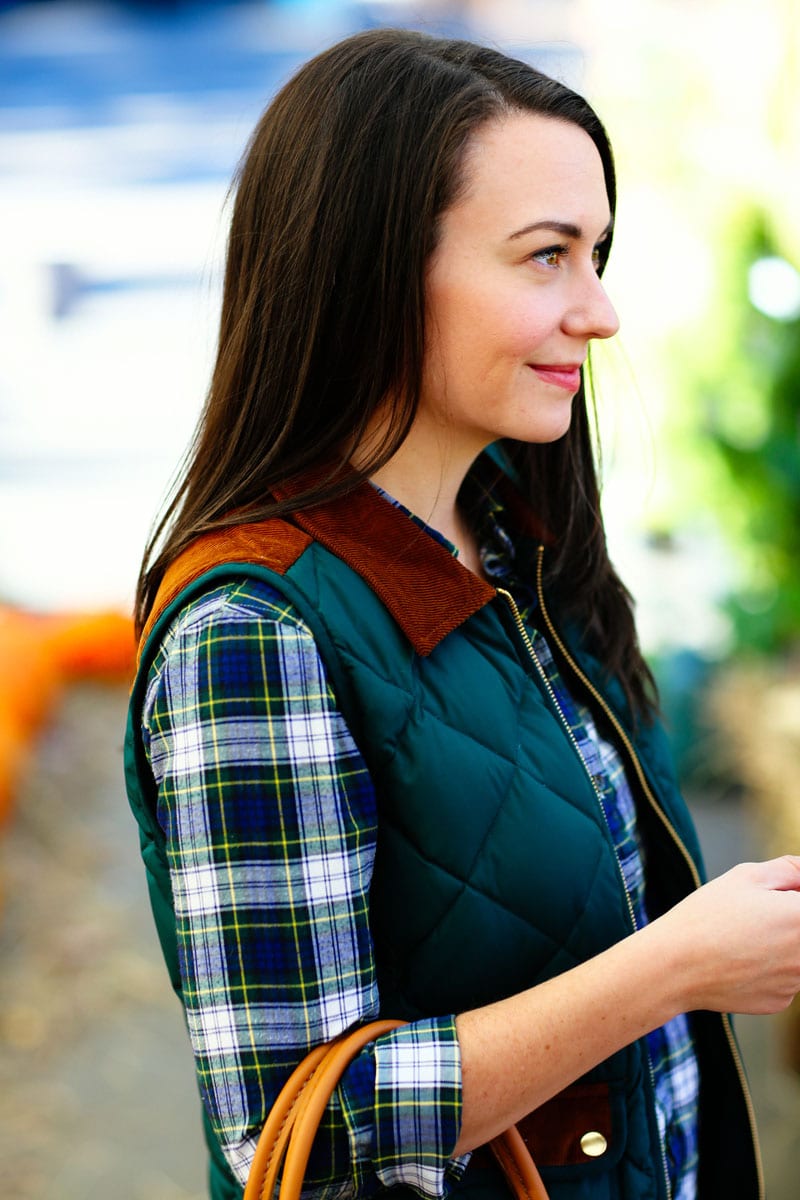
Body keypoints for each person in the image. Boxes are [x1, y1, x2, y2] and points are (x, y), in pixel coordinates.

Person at [124, 27, 800, 1200]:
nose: (598, 313)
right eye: (544, 257)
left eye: (595, 253)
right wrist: (676, 966)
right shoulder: (253, 639)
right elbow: (303, 1136)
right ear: (371, 271)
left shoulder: (522, 553)